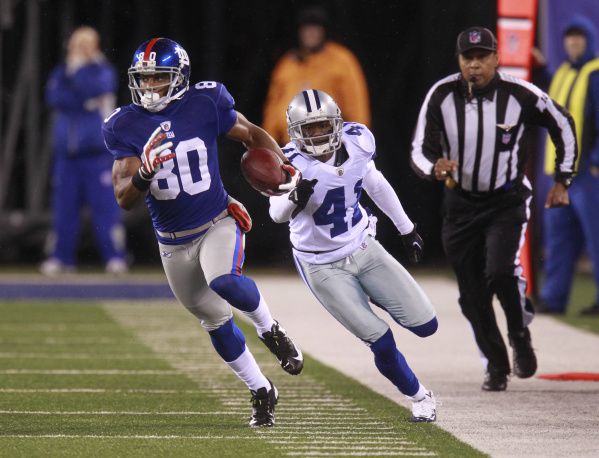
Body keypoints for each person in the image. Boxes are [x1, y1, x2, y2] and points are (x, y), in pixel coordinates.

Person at [102, 37, 304, 427]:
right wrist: (144, 171)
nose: (149, 88)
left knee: (224, 280)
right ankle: (262, 391)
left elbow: (250, 133)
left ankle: (270, 328)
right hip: (171, 243)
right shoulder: (123, 124)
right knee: (215, 322)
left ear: (178, 78)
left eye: (159, 78)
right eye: (143, 80)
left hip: (216, 221)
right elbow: (123, 198)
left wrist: (283, 166)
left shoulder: (205, 102)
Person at [410, 27, 577, 391]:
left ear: (496, 59)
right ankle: (497, 365)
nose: (475, 65)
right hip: (460, 205)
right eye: (468, 58)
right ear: (459, 61)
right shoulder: (441, 95)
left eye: (482, 57)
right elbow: (418, 150)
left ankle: (519, 336)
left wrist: (564, 179)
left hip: (506, 199)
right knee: (472, 295)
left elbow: (562, 123)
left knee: (501, 272)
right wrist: (433, 168)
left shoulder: (519, 94)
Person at [269, 89, 439, 422]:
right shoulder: (290, 163)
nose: (317, 135)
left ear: (336, 123)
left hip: (363, 246)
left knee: (426, 325)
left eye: (322, 126)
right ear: (295, 133)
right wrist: (294, 197)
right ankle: (420, 396)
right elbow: (276, 213)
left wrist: (406, 229)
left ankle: (374, 293)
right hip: (321, 264)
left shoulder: (358, 143)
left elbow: (374, 182)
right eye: (309, 129)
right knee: (381, 339)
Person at [41, 26, 128, 276]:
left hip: (96, 154)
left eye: (85, 44)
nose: (79, 49)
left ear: (95, 45)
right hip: (67, 157)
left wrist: (78, 75)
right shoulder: (63, 71)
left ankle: (115, 257)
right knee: (64, 210)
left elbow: (96, 89)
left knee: (105, 209)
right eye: (77, 43)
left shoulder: (102, 70)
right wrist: (81, 97)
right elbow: (55, 97)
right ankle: (61, 257)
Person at [538, 16, 599, 316]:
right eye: (569, 38)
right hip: (559, 174)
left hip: (588, 174)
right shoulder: (561, 72)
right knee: (558, 238)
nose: (574, 42)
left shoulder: (596, 73)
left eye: (579, 38)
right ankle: (554, 298)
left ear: (589, 41)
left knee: (596, 237)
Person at [262, 5, 370, 145]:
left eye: (315, 28)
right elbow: (273, 109)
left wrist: (358, 144)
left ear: (324, 31)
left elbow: (356, 105)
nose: (310, 33)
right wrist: (267, 144)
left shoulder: (341, 60)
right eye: (306, 28)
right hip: (290, 148)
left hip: (328, 147)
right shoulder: (286, 64)